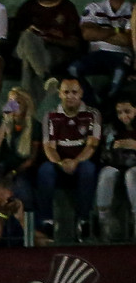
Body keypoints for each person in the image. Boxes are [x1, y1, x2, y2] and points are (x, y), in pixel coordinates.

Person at [37, 75, 102, 239]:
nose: (70, 96)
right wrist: (60, 162)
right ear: (60, 93)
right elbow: (49, 147)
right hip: (59, 164)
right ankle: (47, 221)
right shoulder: (50, 116)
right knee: (45, 170)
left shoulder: (93, 114)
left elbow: (92, 145)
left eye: (74, 92)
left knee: (88, 169)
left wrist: (76, 161)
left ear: (81, 93)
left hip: (80, 163)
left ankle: (83, 220)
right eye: (66, 92)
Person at [11, 0, 86, 94]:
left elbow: (75, 43)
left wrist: (50, 39)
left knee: (30, 60)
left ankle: (23, 102)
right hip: (24, 48)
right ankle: (45, 76)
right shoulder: (28, 7)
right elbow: (17, 39)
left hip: (53, 52)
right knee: (28, 38)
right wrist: (33, 35)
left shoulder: (67, 8)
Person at [77, 0, 133, 100]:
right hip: (96, 54)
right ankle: (92, 105)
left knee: (119, 74)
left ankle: (104, 105)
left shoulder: (132, 10)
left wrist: (99, 31)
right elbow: (87, 34)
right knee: (73, 69)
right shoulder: (94, 7)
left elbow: (128, 40)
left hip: (121, 56)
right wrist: (117, 31)